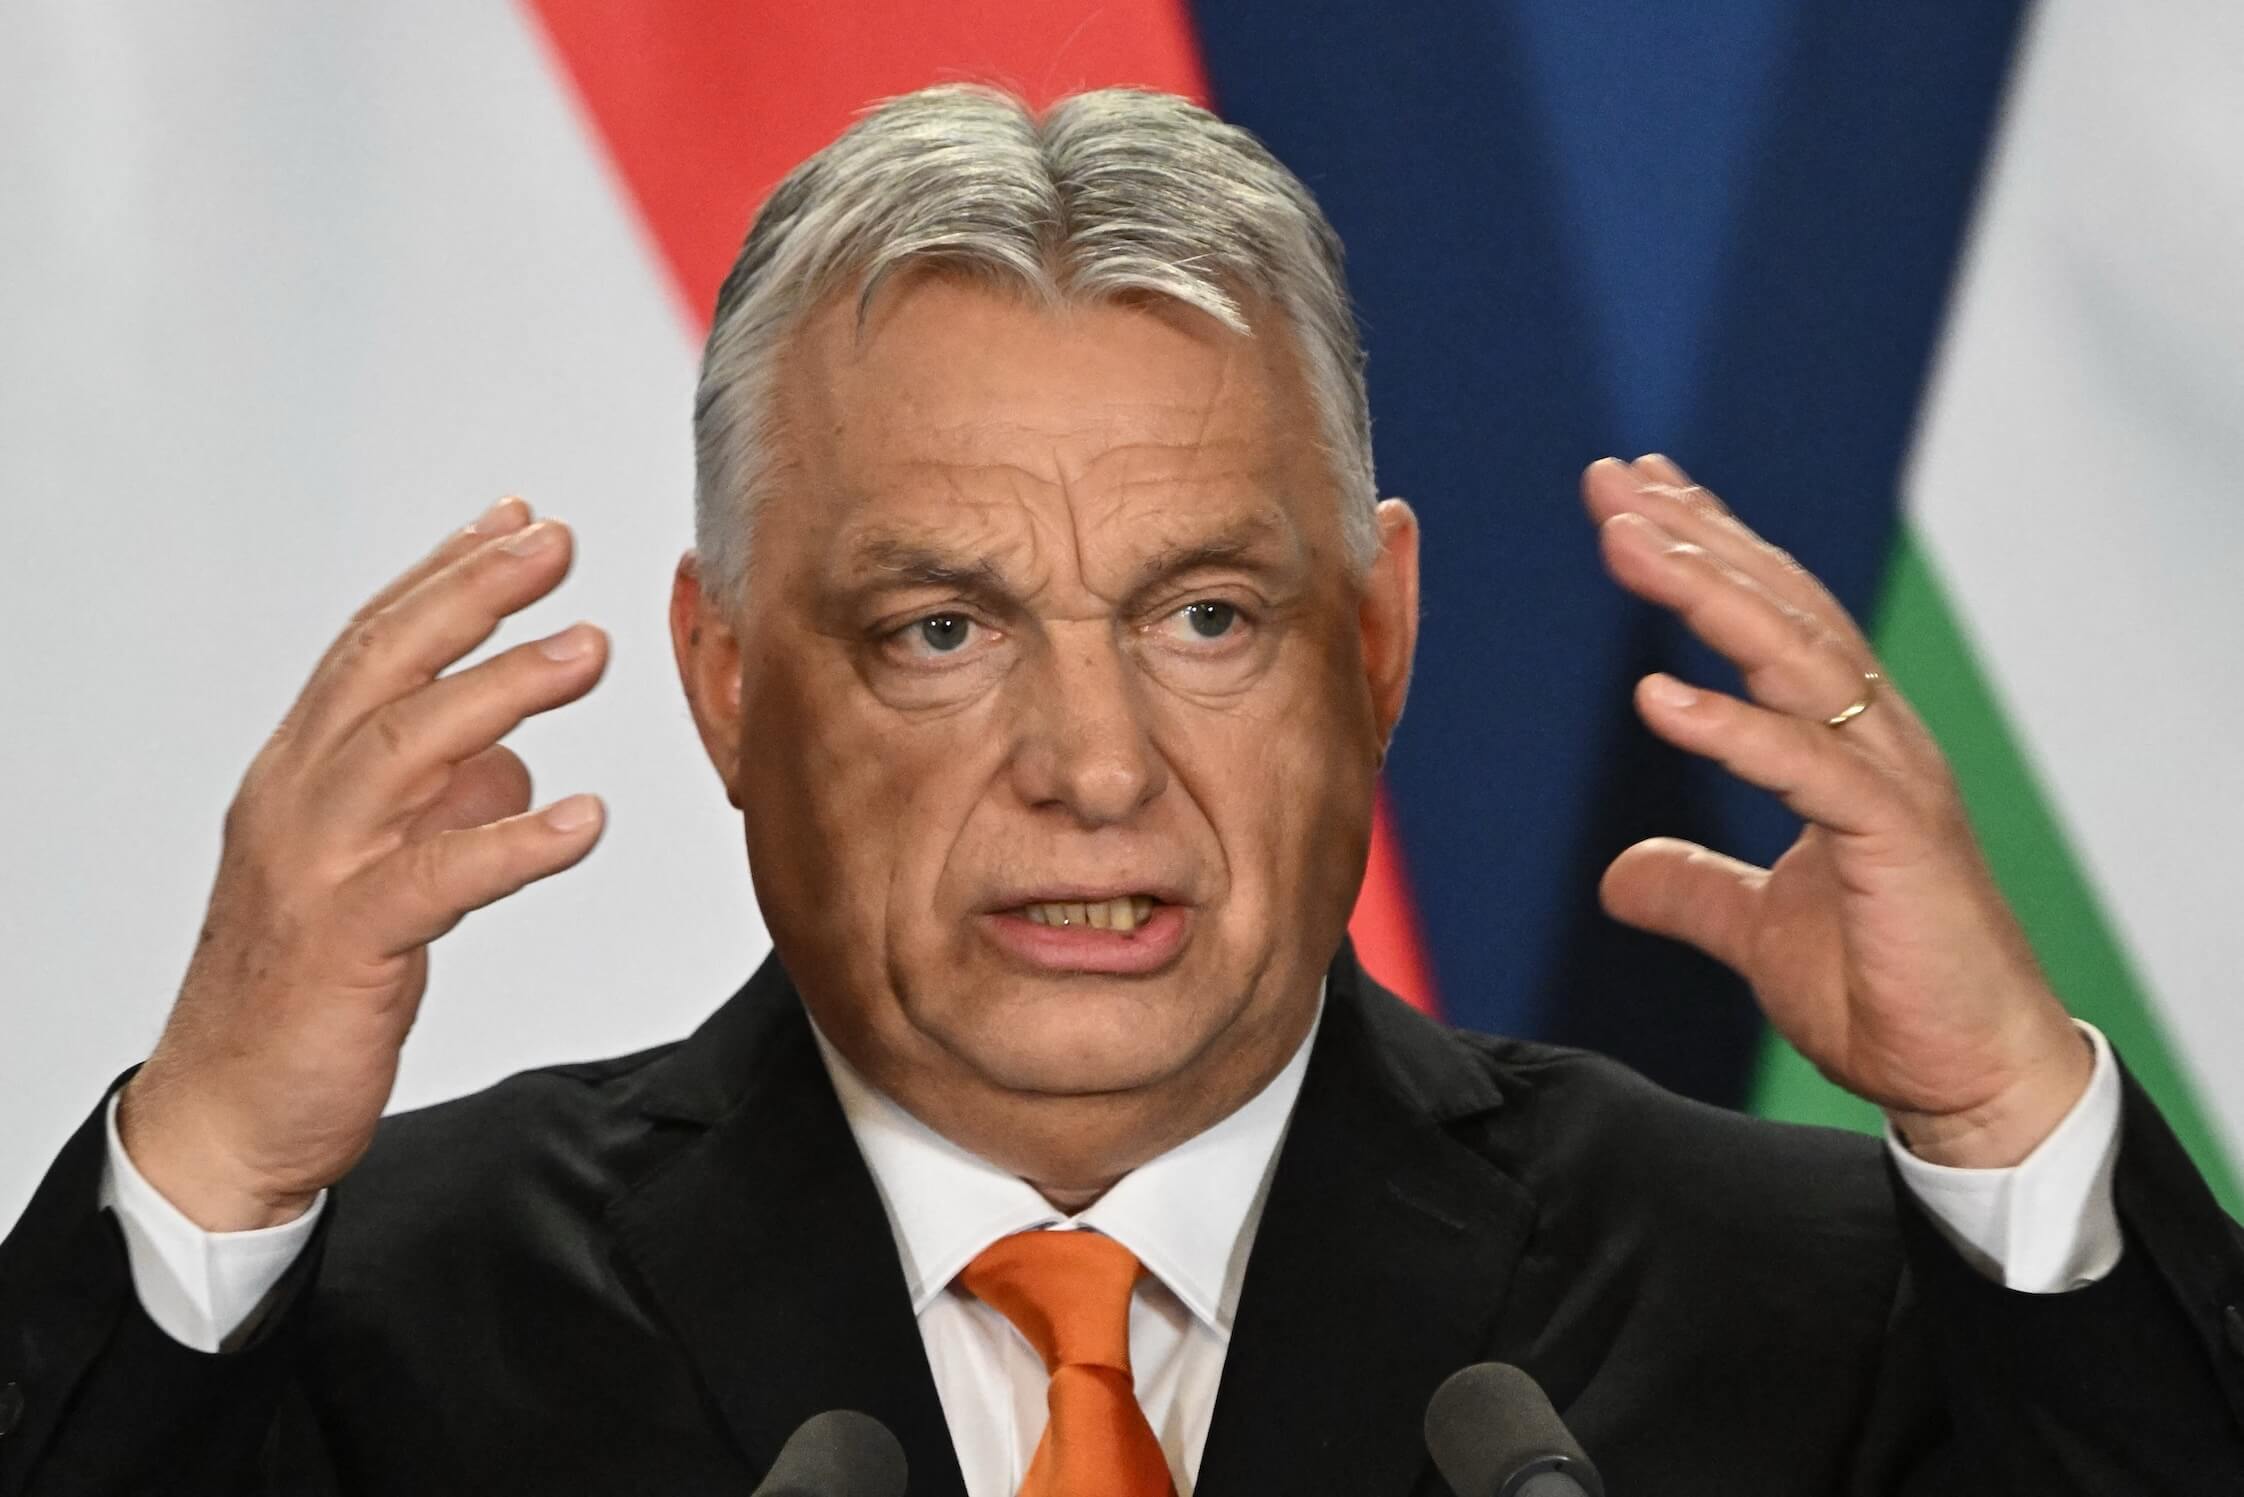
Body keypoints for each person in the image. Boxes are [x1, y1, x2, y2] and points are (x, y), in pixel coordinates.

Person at [1, 83, 2239, 1497]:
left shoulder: (1823, 1311)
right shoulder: (360, 1330)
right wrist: (206, 1170)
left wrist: (2010, 1127)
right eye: (939, 629)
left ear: (1377, 641)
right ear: (727, 685)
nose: (1093, 767)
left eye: (1207, 615)